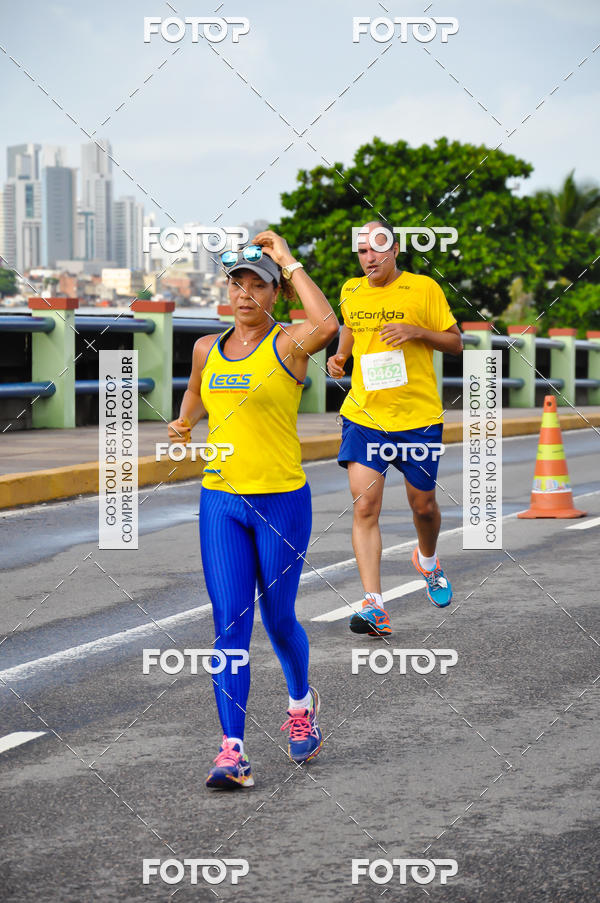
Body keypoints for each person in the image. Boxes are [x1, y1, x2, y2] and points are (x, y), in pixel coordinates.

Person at [168, 230, 338, 788]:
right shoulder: (205, 349)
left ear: (275, 295)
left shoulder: (288, 344)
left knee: (278, 617)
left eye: (257, 284)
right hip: (221, 500)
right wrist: (185, 421)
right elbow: (195, 389)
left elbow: (329, 326)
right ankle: (232, 750)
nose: (244, 294)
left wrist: (288, 261)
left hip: (282, 501)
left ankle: (299, 704)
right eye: (237, 283)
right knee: (229, 625)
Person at [327, 221, 463, 636]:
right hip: (366, 417)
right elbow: (350, 325)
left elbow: (456, 342)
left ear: (395, 249)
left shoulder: (424, 288)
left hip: (418, 420)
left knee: (423, 507)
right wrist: (340, 356)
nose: (369, 258)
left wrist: (417, 332)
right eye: (362, 251)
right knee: (365, 507)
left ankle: (427, 560)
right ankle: (375, 606)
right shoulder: (351, 290)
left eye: (377, 249)